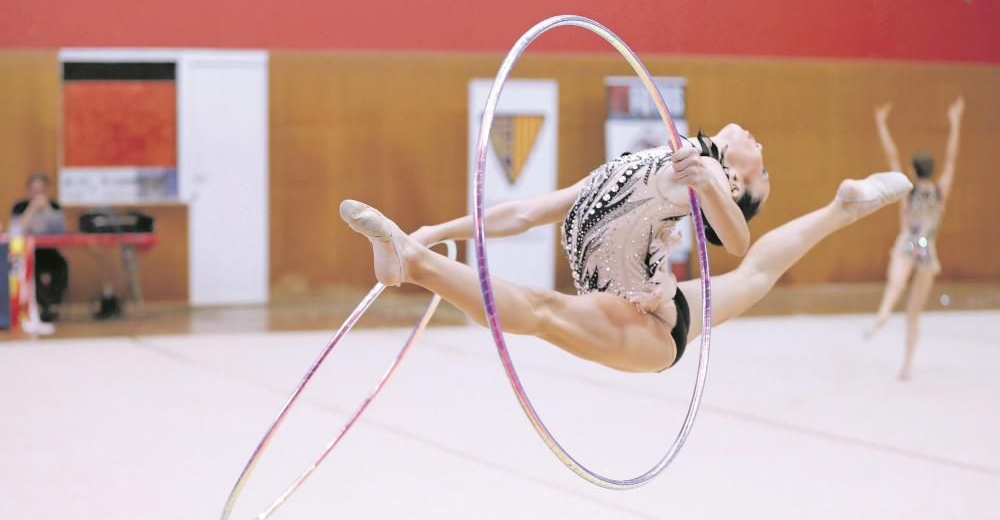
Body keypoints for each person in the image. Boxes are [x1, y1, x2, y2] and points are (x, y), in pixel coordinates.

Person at [340, 124, 911, 373]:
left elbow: (736, 242)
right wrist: (439, 228)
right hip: (642, 303)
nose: (760, 145)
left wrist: (711, 183)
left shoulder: (703, 177)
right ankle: (846, 208)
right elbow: (525, 212)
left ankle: (413, 265)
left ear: (739, 186)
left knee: (542, 310)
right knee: (759, 278)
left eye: (764, 172)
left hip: (644, 323)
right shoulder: (662, 159)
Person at [866, 97, 965, 380]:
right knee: (913, 313)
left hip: (908, 242)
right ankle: (907, 365)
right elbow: (953, 158)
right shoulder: (940, 190)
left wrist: (881, 123)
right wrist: (955, 122)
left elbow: (891, 156)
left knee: (895, 284)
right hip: (927, 248)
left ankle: (884, 310)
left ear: (912, 170)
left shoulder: (906, 188)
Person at [10, 173, 68, 322]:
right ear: (28, 191)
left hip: (49, 251)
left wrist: (47, 208)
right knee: (30, 271)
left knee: (61, 266)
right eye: (34, 190)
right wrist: (31, 209)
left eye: (41, 190)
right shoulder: (20, 207)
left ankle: (53, 305)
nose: (38, 194)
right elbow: (16, 231)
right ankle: (40, 305)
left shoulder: (54, 206)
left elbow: (60, 229)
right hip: (28, 253)